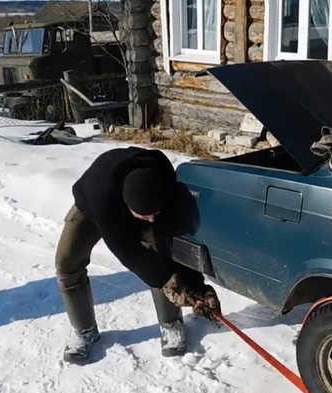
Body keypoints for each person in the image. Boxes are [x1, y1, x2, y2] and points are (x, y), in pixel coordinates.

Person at [54, 146, 220, 365]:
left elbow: (175, 238)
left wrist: (194, 286)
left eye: (155, 213)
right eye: (145, 215)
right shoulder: (100, 195)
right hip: (91, 208)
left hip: (139, 199)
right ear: (128, 206)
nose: (151, 219)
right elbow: (125, 249)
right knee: (67, 261)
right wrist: (166, 280)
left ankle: (171, 323)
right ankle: (85, 331)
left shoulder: (163, 181)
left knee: (162, 252)